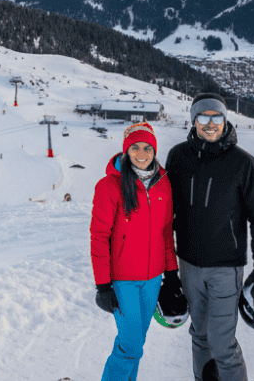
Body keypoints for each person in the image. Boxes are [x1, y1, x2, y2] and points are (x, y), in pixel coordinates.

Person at [166, 93, 254, 381]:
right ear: (193, 121)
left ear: (225, 120)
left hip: (226, 267)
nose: (210, 124)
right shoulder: (178, 157)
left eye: (217, 117)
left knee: (222, 343)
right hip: (188, 265)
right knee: (199, 335)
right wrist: (166, 270)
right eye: (203, 117)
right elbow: (164, 214)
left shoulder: (243, 163)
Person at [90, 122, 179, 381]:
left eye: (148, 148)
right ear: (125, 151)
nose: (142, 154)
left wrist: (171, 274)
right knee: (130, 344)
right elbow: (99, 237)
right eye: (135, 147)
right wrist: (102, 285)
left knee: (136, 342)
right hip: (122, 280)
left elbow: (165, 232)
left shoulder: (163, 184)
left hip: (152, 279)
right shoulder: (109, 186)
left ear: (155, 151)